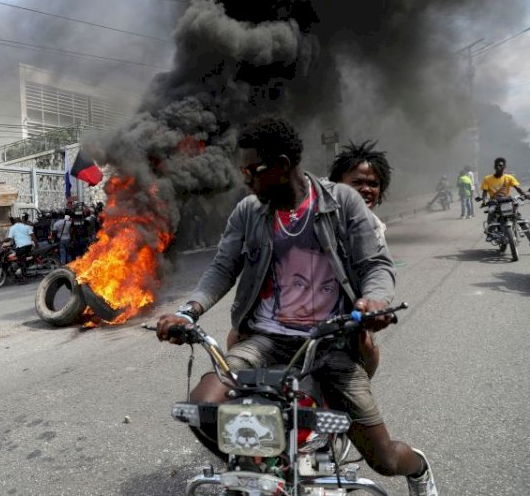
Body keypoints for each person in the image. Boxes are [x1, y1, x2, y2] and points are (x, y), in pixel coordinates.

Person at [156, 117, 438, 496]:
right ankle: (267, 469)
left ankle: (418, 469)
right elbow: (223, 266)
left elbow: (376, 265)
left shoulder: (342, 202)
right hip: (266, 339)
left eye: (252, 170)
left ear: (283, 165)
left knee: (384, 459)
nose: (246, 180)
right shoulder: (248, 211)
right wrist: (189, 311)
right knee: (204, 406)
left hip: (330, 343)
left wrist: (374, 300)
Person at [328, 140, 392, 378]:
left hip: (346, 313)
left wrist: (374, 301)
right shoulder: (316, 212)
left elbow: (377, 268)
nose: (366, 189)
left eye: (373, 184)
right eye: (357, 182)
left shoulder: (375, 228)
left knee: (367, 348)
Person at [480, 157, 530, 226]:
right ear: (494, 167)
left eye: (500, 165)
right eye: (496, 165)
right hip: (494, 202)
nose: (498, 167)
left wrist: (526, 195)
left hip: (507, 201)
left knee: (518, 217)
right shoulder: (487, 179)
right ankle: (490, 234)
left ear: (504, 167)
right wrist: (484, 201)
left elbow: (518, 188)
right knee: (491, 214)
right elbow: (484, 192)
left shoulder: (509, 177)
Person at [7, 217, 37, 282]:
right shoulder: (26, 226)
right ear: (20, 221)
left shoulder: (13, 228)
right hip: (29, 246)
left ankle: (24, 277)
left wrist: (2, 241)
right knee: (22, 258)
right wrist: (37, 245)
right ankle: (24, 271)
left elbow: (9, 238)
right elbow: (33, 236)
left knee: (21, 260)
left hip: (21, 247)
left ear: (14, 222)